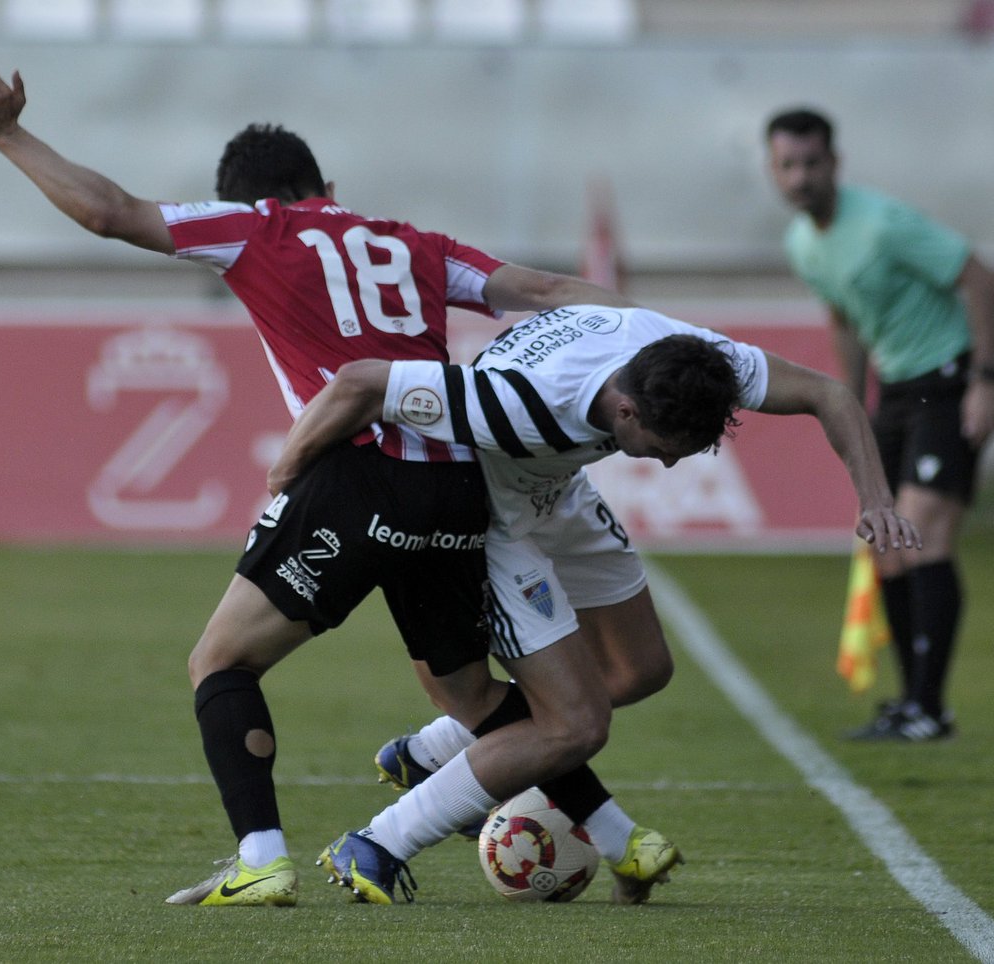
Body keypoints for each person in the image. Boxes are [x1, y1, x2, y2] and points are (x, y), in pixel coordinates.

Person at [0, 66, 652, 907]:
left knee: (221, 661)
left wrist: (8, 135)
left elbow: (110, 211)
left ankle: (261, 858)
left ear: (250, 198)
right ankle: (624, 840)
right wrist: (668, 342)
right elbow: (547, 292)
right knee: (470, 693)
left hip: (358, 477)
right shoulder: (418, 246)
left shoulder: (256, 228)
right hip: (458, 486)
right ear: (328, 185)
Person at [269, 304, 921, 902]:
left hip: (559, 489)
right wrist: (284, 481)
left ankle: (438, 751)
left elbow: (829, 393)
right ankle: (379, 842)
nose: (669, 466)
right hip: (493, 520)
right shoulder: (518, 403)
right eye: (664, 450)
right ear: (627, 411)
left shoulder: (683, 355)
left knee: (642, 670)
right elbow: (361, 383)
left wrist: (876, 500)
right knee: (575, 726)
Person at [765, 107, 994, 741]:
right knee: (888, 546)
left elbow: (980, 278)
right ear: (773, 171)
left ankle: (930, 708)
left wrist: (986, 380)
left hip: (946, 380)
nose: (800, 177)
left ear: (834, 163)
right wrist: (850, 402)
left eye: (812, 163)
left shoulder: (882, 223)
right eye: (788, 165)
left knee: (923, 533)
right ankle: (912, 702)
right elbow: (845, 318)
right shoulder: (802, 244)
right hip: (895, 392)